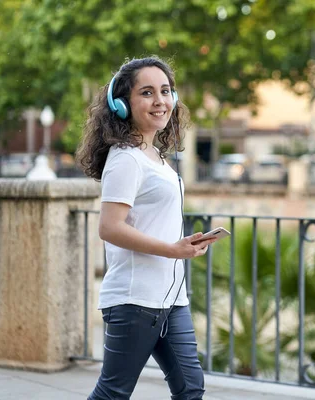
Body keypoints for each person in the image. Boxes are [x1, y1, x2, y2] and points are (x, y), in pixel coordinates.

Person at [76, 56, 216, 400]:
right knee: (113, 392)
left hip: (171, 298)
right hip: (135, 300)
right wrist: (172, 250)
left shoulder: (157, 157)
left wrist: (184, 245)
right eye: (148, 92)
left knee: (190, 387)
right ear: (123, 105)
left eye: (166, 91)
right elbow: (109, 228)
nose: (160, 101)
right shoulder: (125, 158)